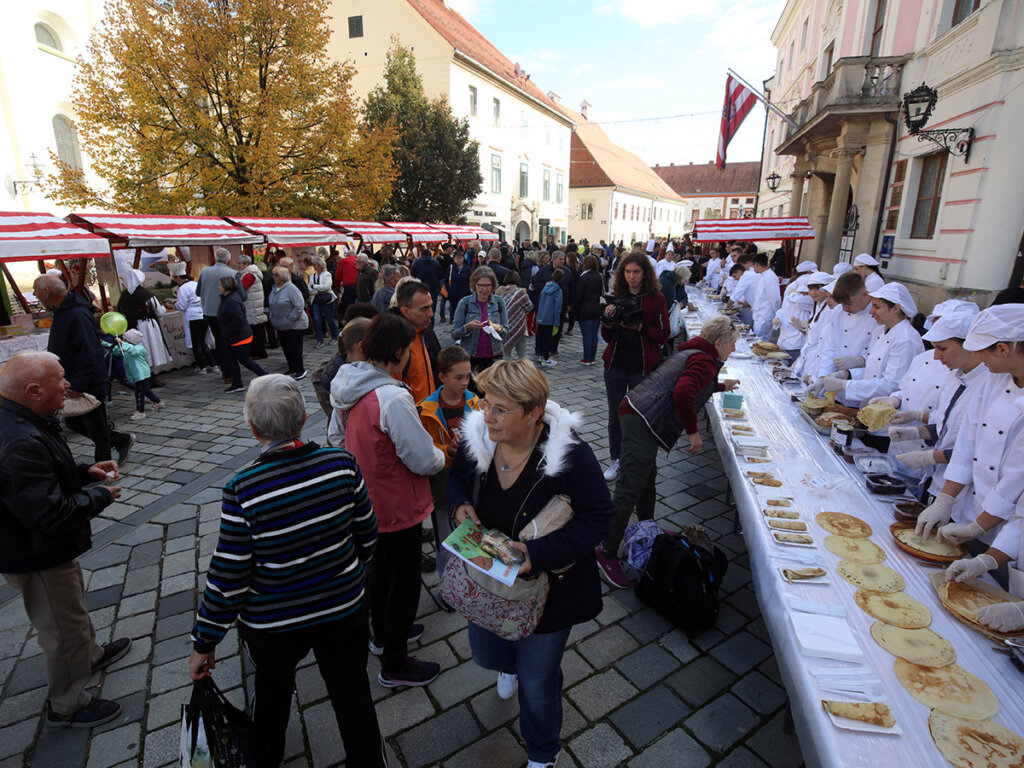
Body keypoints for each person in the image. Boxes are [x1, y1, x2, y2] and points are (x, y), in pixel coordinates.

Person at [189, 375, 385, 768]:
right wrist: (346, 571)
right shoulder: (341, 464)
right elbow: (367, 534)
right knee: (352, 695)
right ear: (303, 419)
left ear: (253, 429)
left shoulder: (243, 488)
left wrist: (204, 640)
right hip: (342, 609)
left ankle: (266, 760)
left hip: (274, 625)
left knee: (272, 697)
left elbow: (230, 574)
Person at [447, 360, 614, 768]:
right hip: (487, 582)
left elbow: (599, 517)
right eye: (486, 403)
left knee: (538, 681)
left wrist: (536, 555)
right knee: (489, 654)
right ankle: (509, 664)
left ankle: (542, 753)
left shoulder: (570, 456)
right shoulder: (481, 439)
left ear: (534, 412)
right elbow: (453, 479)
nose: (487, 415)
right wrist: (459, 506)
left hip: (550, 593)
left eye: (500, 409)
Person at [0, 351, 130, 728]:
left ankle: (89, 654)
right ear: (34, 389)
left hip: (38, 545)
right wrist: (99, 496)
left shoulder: (19, 418)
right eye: (60, 378)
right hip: (35, 551)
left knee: (71, 610)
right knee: (61, 626)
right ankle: (68, 703)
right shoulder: (18, 439)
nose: (68, 384)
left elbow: (43, 474)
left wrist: (83, 472)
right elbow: (47, 513)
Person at [332, 314, 446, 686]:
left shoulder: (347, 383)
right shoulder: (393, 396)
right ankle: (395, 662)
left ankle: (382, 635)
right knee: (405, 582)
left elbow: (335, 437)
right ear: (399, 353)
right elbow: (422, 458)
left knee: (380, 571)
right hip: (398, 503)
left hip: (365, 498)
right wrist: (444, 455)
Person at [595, 316, 741, 587]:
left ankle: (648, 526)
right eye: (732, 345)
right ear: (718, 343)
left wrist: (722, 386)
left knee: (646, 475)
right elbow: (684, 392)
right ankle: (606, 551)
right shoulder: (705, 360)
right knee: (630, 486)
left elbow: (691, 383)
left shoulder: (695, 351)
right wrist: (694, 432)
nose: (733, 350)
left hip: (638, 411)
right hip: (642, 419)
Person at [915, 305, 1024, 550]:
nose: (976, 359)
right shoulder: (995, 379)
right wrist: (945, 499)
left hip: (1010, 527)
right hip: (970, 509)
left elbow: (1017, 476)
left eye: (979, 352)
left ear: (1003, 349)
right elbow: (967, 444)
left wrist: (979, 527)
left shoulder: (989, 374)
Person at [880, 311, 988, 492]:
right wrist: (916, 432)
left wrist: (931, 457)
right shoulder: (956, 376)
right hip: (936, 478)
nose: (936, 356)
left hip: (962, 488)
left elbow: (976, 448)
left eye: (942, 348)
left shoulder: (987, 384)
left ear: (970, 345)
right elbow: (947, 427)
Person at [33, 276, 134, 465]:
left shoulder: (76, 314)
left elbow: (90, 352)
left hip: (87, 380)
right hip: (75, 377)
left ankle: (105, 468)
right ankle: (120, 440)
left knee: (97, 428)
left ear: (46, 292)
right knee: (74, 422)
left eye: (35, 290)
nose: (34, 294)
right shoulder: (65, 311)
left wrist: (79, 383)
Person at [600, 253, 670, 481]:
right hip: (616, 365)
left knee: (640, 416)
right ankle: (616, 458)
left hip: (642, 366)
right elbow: (606, 336)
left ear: (645, 273)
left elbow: (664, 336)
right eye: (628, 272)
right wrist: (608, 321)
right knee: (615, 415)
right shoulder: (616, 296)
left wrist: (641, 327)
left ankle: (637, 459)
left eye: (636, 272)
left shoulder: (656, 298)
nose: (631, 276)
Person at [417, 345, 480, 581]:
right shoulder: (425, 410)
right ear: (442, 377)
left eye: (468, 376)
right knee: (445, 540)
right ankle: (448, 585)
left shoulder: (475, 403)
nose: (466, 382)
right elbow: (424, 451)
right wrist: (448, 450)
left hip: (470, 481)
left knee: (472, 533)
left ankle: (471, 579)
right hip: (442, 485)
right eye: (459, 377)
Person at [810, 282, 924, 407]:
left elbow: (891, 384)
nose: (871, 311)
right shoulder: (880, 331)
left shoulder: (906, 340)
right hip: (868, 405)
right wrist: (846, 374)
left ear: (896, 309)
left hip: (886, 410)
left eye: (877, 307)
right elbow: (871, 371)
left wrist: (844, 384)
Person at [814, 271, 878, 383]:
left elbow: (879, 357)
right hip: (836, 380)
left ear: (864, 294)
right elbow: (830, 348)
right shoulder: (838, 312)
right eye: (841, 304)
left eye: (848, 304)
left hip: (861, 383)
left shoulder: (877, 316)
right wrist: (823, 378)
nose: (844, 309)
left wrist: (861, 360)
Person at [392, 280, 442, 403]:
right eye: (424, 309)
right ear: (405, 311)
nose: (431, 313)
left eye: (431, 306)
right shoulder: (395, 342)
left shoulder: (423, 332)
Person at [217, 276, 268, 393]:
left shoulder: (231, 301)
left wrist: (228, 332)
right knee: (233, 360)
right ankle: (237, 383)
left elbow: (238, 320)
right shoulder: (228, 298)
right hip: (234, 336)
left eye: (220, 285)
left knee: (245, 360)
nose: (219, 287)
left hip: (239, 337)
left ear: (226, 286)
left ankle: (264, 376)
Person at [452, 267, 508, 371]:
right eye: (480, 285)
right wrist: (467, 327)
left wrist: (499, 329)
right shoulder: (465, 303)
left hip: (495, 357)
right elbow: (454, 334)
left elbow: (506, 332)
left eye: (488, 285)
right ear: (474, 284)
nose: (484, 289)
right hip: (471, 357)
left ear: (493, 285)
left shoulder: (499, 302)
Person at [116, 269, 172, 369]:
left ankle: (145, 373)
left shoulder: (123, 297)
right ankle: (150, 375)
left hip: (131, 327)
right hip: (147, 325)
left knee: (139, 348)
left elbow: (121, 312)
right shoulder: (146, 294)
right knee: (150, 348)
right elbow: (159, 310)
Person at [195, 248, 238, 380]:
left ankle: (225, 371)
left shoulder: (205, 271)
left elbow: (198, 292)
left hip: (209, 312)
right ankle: (231, 371)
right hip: (227, 312)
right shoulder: (233, 272)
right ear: (229, 260)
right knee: (228, 341)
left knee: (219, 341)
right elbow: (242, 294)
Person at [167, 262, 214, 373]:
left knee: (196, 343)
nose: (175, 281)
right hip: (203, 314)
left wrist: (174, 305)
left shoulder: (182, 289)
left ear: (178, 277)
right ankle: (212, 364)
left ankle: (202, 367)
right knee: (203, 341)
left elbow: (182, 306)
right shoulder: (195, 284)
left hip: (193, 317)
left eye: (175, 278)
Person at [108, 329, 162, 419]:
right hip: (137, 375)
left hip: (142, 375)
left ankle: (141, 411)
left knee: (139, 394)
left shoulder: (138, 348)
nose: (123, 341)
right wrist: (106, 344)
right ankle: (158, 402)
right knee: (145, 391)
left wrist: (121, 343)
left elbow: (132, 350)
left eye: (125, 339)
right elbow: (117, 351)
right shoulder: (126, 348)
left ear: (130, 341)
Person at [268, 266, 309, 380]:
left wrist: (290, 319)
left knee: (294, 347)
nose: (274, 277)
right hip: (280, 324)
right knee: (286, 347)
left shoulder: (291, 288)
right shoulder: (274, 288)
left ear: (282, 277)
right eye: (273, 275)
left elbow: (299, 305)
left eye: (276, 275)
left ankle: (300, 369)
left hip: (294, 324)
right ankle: (292, 367)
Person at [235, 254, 268, 359]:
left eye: (240, 263)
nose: (238, 266)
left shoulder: (249, 275)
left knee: (254, 331)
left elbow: (242, 288)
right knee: (256, 330)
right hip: (253, 306)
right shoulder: (250, 273)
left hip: (252, 307)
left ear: (246, 264)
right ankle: (259, 352)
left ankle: (257, 352)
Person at [495, 271, 531, 361]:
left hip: (503, 328)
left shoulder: (498, 293)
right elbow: (529, 307)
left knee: (505, 355)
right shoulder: (520, 293)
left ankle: (505, 374)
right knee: (522, 356)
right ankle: (524, 373)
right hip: (520, 328)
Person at [308, 255, 338, 349]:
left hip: (327, 299)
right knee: (317, 320)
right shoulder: (312, 276)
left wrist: (315, 287)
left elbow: (326, 287)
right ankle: (319, 339)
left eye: (316, 264)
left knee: (329, 319)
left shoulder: (327, 274)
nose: (315, 266)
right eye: (314, 264)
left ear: (321, 265)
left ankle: (335, 336)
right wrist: (318, 289)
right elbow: (309, 288)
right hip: (316, 299)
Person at [535, 268, 564, 366]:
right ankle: (546, 358)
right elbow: (557, 308)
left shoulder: (545, 288)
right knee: (547, 339)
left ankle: (541, 355)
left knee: (540, 338)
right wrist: (557, 322)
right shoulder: (558, 290)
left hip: (541, 316)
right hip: (550, 318)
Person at [750, 254, 782, 340]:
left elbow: (775, 299)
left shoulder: (770, 277)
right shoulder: (764, 276)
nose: (753, 268)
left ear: (756, 264)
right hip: (760, 315)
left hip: (765, 316)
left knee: (761, 342)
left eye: (753, 266)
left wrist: (777, 314)